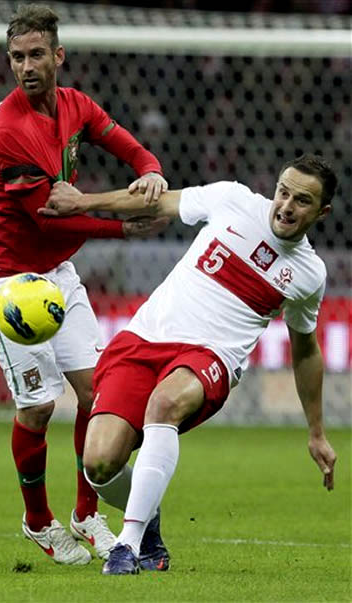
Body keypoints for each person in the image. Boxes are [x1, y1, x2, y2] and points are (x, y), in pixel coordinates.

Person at [41, 153, 339, 574]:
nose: (286, 206)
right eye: (283, 192)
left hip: (210, 356)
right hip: (144, 340)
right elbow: (155, 201)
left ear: (322, 212)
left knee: (164, 404)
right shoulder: (232, 200)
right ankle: (147, 517)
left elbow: (305, 349)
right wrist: (83, 202)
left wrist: (317, 432)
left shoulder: (308, 274)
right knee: (99, 464)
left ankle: (126, 545)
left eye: (302, 201)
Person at [0, 3, 169, 566]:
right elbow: (47, 215)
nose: (26, 66)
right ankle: (39, 523)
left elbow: (126, 144)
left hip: (57, 273)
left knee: (97, 396)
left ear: (58, 55)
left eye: (35, 55)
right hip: (4, 281)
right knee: (37, 407)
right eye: (16, 57)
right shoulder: (8, 129)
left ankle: (85, 514)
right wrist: (121, 226)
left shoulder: (76, 105)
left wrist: (149, 167)